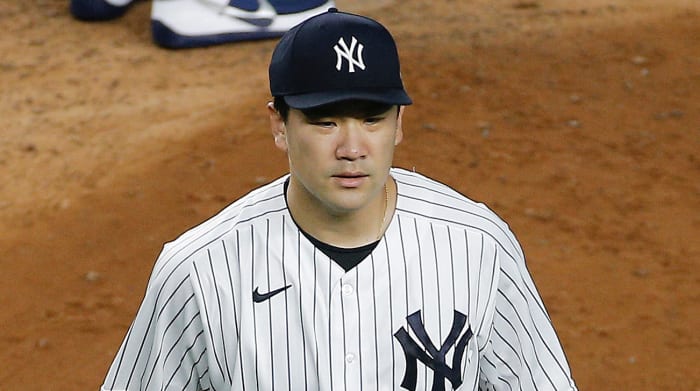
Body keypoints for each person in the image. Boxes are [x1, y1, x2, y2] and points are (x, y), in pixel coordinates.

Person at [101, 8, 578, 391]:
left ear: (399, 122)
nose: (352, 149)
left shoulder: (478, 246)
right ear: (279, 125)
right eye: (325, 121)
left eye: (372, 119)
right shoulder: (200, 271)